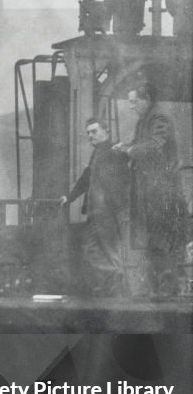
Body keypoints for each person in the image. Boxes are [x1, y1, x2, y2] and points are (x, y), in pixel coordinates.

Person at [112, 83, 187, 293]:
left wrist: (130, 149)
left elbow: (156, 146)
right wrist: (125, 146)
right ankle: (159, 296)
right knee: (153, 246)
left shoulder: (158, 118)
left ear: (146, 99)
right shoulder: (145, 121)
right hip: (150, 196)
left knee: (162, 246)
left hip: (162, 196)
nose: (131, 106)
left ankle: (168, 298)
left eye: (134, 101)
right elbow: (140, 144)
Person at [61, 117, 132, 296]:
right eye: (88, 133)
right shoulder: (98, 153)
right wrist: (69, 198)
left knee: (109, 253)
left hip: (107, 214)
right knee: (92, 251)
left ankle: (119, 294)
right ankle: (112, 291)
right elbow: (86, 178)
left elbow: (124, 182)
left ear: (105, 131)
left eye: (94, 131)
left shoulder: (114, 152)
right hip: (96, 214)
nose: (90, 136)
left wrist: (117, 208)